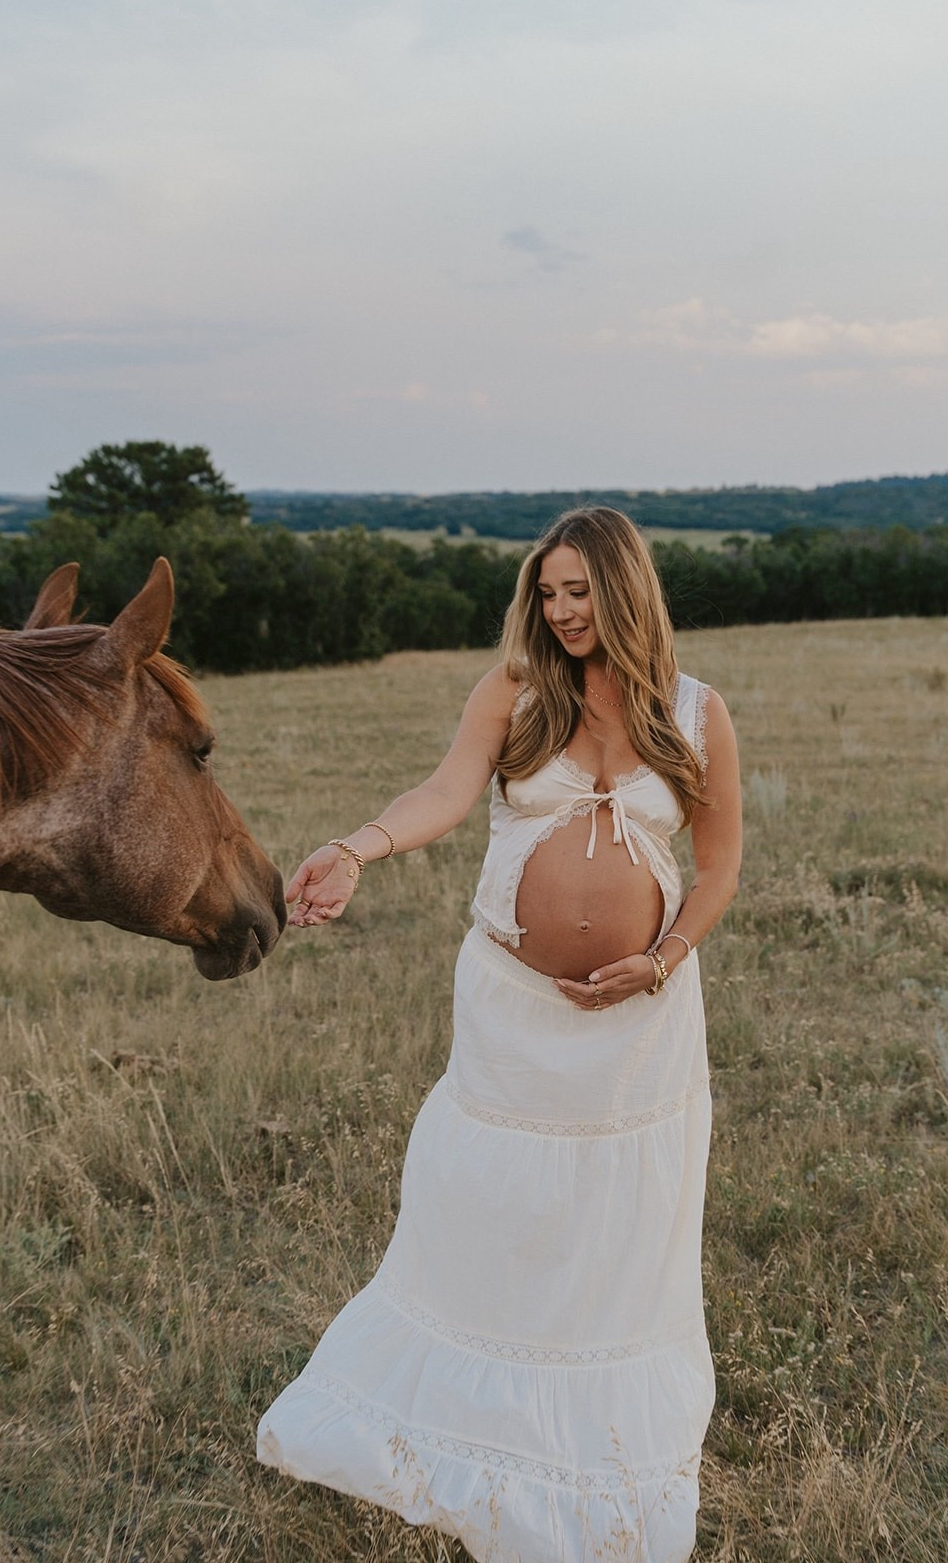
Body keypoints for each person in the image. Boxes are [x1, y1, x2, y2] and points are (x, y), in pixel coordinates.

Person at [257, 506, 742, 1562]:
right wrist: (356, 846)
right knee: (493, 1197)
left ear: (624, 590)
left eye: (580, 592)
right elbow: (443, 792)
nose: (562, 612)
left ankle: (592, 1424)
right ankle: (481, 1411)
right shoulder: (515, 692)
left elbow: (720, 867)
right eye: (549, 592)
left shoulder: (696, 711)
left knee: (613, 1214)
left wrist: (658, 960)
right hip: (512, 1013)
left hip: (642, 1026)